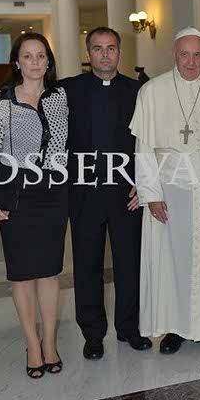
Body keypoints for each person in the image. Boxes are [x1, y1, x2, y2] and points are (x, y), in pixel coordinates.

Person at [130, 27, 200, 355]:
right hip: (170, 191)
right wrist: (151, 194)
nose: (191, 62)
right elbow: (143, 149)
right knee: (172, 261)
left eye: (197, 55)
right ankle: (174, 329)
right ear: (174, 54)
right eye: (185, 54)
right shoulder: (152, 91)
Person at [0, 33, 68, 378]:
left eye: (40, 56)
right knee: (23, 275)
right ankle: (32, 344)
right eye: (27, 56)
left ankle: (50, 342)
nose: (34, 62)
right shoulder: (1, 102)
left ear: (48, 61)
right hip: (15, 194)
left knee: (50, 273)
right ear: (17, 62)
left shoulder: (60, 97)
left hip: (53, 193)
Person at [59, 27, 151, 360]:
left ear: (119, 52)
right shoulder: (68, 90)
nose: (105, 54)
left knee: (130, 264)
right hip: (83, 192)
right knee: (87, 265)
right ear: (89, 53)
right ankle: (93, 334)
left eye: (111, 48)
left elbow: (149, 141)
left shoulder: (139, 92)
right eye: (98, 48)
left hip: (126, 192)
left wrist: (144, 181)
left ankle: (130, 327)